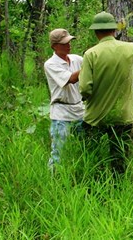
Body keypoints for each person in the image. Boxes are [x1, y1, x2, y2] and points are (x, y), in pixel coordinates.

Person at [78, 11, 133, 174]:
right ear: (114, 30)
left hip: (96, 116)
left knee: (92, 156)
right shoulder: (131, 48)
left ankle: (95, 184)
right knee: (119, 156)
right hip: (124, 115)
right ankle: (118, 187)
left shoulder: (91, 54)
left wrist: (86, 98)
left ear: (96, 32)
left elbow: (85, 88)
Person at [43, 28, 85, 169]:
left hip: (79, 110)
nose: (68, 45)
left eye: (69, 42)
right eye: (64, 43)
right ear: (54, 46)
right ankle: (54, 179)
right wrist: (91, 65)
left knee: (83, 147)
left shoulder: (77, 59)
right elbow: (71, 79)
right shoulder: (50, 64)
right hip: (61, 113)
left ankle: (79, 173)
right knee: (59, 152)